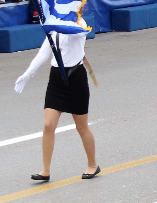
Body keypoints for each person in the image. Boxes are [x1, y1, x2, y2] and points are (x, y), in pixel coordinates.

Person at [13, 30, 99, 182]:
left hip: (76, 78)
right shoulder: (54, 30)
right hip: (57, 79)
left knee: (81, 126)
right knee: (48, 125)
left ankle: (93, 164)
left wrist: (58, 24)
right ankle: (45, 170)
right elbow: (43, 54)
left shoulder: (79, 25)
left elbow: (78, 34)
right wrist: (27, 75)